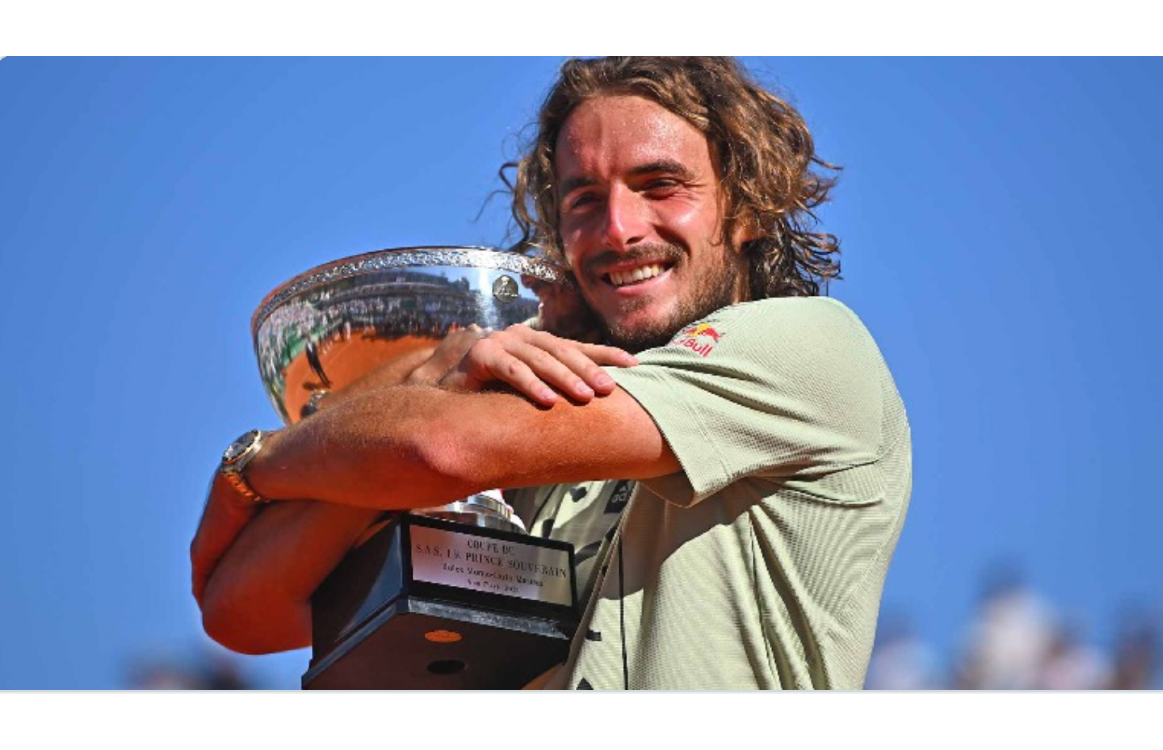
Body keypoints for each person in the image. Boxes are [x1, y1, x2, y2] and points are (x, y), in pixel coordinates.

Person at [191, 56, 912, 690]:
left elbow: (441, 448)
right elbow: (244, 613)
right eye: (583, 200)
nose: (619, 228)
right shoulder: (526, 392)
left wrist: (266, 457)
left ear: (747, 203)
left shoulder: (803, 345)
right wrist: (421, 397)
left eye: (660, 185)